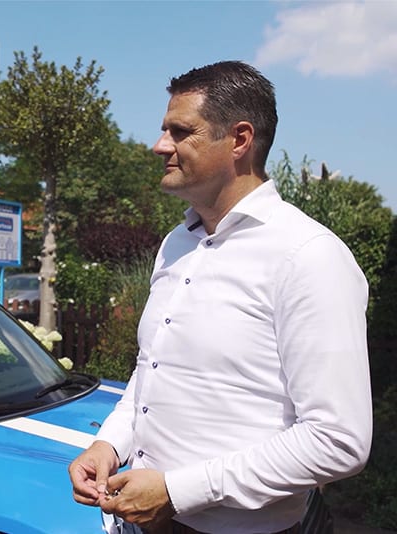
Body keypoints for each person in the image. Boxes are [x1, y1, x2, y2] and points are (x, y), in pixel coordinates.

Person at [68, 61, 372, 533]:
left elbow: (338, 440)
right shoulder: (176, 243)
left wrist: (177, 491)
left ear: (239, 140)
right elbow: (153, 370)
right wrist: (109, 444)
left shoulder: (308, 256)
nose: (159, 146)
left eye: (180, 131)